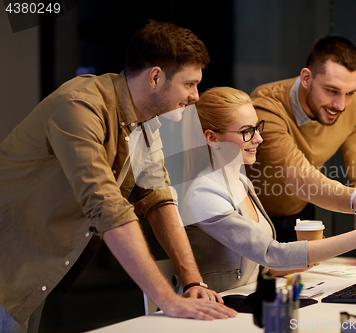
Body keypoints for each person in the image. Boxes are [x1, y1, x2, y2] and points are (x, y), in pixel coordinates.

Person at [0, 20, 237, 333]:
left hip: (33, 266)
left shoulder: (146, 122)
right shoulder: (80, 106)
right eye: (189, 84)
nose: (196, 96)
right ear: (155, 77)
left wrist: (192, 281)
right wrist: (168, 299)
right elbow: (106, 205)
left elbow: (158, 198)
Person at [180, 87, 356, 293]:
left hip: (245, 301)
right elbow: (271, 254)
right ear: (211, 138)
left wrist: (314, 253)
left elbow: (261, 266)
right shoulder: (204, 193)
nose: (258, 138)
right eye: (247, 131)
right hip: (213, 310)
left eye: (257, 128)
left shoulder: (242, 182)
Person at [245, 35, 356, 266]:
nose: (340, 105)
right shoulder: (266, 106)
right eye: (331, 91)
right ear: (306, 78)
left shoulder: (352, 104)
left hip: (300, 218)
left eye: (349, 93)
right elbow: (300, 179)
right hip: (255, 220)